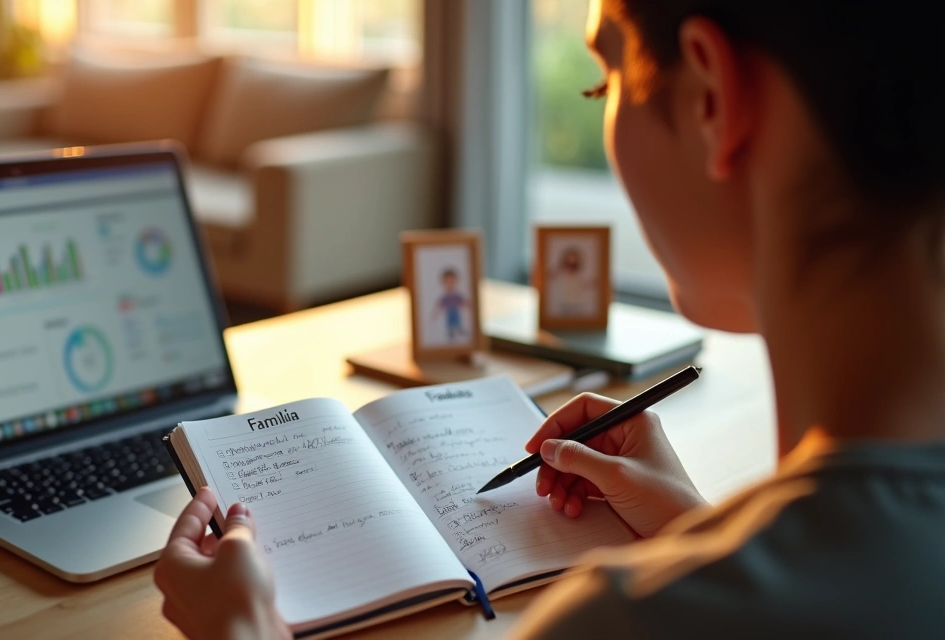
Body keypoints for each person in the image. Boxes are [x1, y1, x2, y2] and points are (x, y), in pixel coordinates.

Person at [154, 0, 945, 637]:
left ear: (713, 99)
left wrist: (243, 630)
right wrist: (693, 529)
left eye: (605, 84)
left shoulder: (626, 622)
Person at [432, 267, 470, 342]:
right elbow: (441, 305)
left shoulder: (457, 295)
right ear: (443, 283)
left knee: (458, 321)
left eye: (452, 282)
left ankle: (460, 330)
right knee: (449, 323)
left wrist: (467, 305)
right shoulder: (445, 297)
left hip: (455, 311)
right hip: (449, 312)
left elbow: (462, 301)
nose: (450, 284)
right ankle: (450, 333)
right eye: (447, 282)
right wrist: (436, 313)